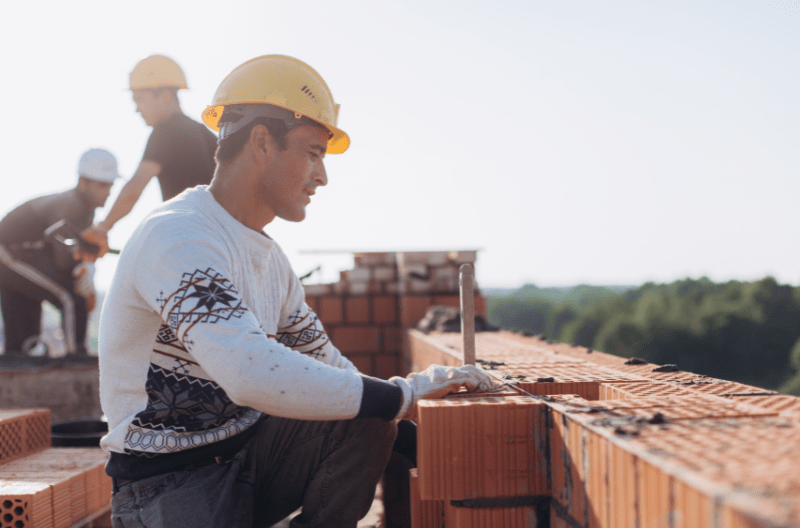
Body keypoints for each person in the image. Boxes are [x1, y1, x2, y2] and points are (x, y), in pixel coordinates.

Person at [98, 55, 497, 528]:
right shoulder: (179, 237)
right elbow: (250, 373)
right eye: (312, 152)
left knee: (367, 415)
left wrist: (406, 432)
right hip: (169, 485)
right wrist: (403, 394)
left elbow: (331, 372)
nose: (322, 176)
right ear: (262, 142)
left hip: (249, 457)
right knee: (377, 404)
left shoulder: (270, 261)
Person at [80, 55, 217, 258]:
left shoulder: (166, 131)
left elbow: (133, 190)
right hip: (224, 239)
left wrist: (103, 228)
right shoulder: (205, 134)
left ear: (165, 95)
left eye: (139, 100)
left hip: (194, 242)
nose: (137, 109)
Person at [0, 148, 119, 357]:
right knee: (71, 297)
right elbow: (63, 260)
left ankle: (20, 364)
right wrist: (86, 270)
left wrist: (86, 267)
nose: (108, 191)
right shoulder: (70, 206)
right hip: (9, 255)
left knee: (22, 344)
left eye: (110, 185)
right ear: (83, 183)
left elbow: (68, 255)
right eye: (102, 185)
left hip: (30, 256)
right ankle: (78, 358)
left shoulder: (86, 210)